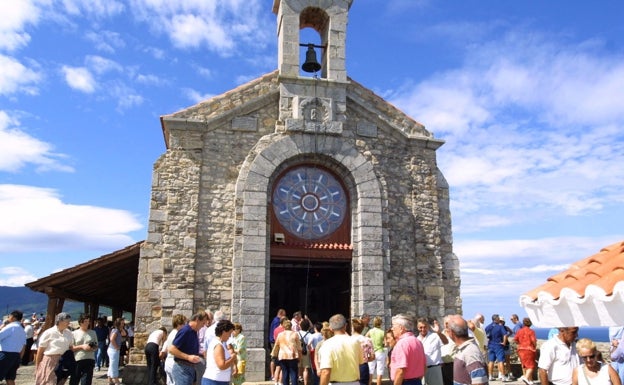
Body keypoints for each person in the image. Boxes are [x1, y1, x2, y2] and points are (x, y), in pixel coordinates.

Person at [318, 314, 363, 385]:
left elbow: (325, 372)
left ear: (330, 328)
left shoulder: (327, 344)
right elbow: (361, 362)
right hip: (354, 382)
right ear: (345, 326)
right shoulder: (356, 342)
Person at [168, 311, 209, 385]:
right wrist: (188, 357)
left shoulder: (193, 332)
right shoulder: (185, 331)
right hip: (182, 368)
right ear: (197, 320)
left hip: (190, 368)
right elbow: (171, 349)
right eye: (203, 323)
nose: (203, 326)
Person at [446, 314, 488, 385]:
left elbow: (479, 382)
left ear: (452, 333)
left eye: (448, 329)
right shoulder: (464, 349)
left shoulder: (470, 352)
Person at [35, 312, 74, 385]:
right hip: (50, 360)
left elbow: (71, 347)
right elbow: (40, 351)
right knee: (49, 382)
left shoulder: (69, 333)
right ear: (60, 321)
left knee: (60, 382)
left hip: (63, 361)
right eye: (67, 321)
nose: (69, 323)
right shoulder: (49, 332)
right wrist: (37, 366)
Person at [389, 314, 426, 385]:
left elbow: (400, 370)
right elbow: (424, 365)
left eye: (393, 326)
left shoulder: (402, 344)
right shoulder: (418, 342)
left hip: (404, 382)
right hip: (416, 381)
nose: (392, 328)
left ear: (401, 328)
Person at [202, 319, 237, 385]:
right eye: (229, 333)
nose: (230, 336)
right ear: (224, 332)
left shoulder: (219, 344)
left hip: (218, 380)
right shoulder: (218, 346)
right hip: (214, 381)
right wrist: (232, 358)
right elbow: (221, 366)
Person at [416, 317, 448, 385]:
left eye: (425, 327)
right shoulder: (416, 340)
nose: (423, 329)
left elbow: (445, 342)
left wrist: (439, 332)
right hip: (421, 371)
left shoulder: (435, 336)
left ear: (428, 327)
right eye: (420, 327)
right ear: (417, 327)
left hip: (434, 369)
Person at [0, 310, 27, 385]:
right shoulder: (22, 330)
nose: (8, 317)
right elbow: (24, 345)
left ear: (13, 317)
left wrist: (2, 326)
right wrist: (20, 357)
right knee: (10, 378)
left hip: (5, 354)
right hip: (16, 355)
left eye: (9, 316)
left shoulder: (10, 327)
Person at [70, 314, 98, 385]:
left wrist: (92, 348)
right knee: (74, 380)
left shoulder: (93, 332)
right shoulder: (74, 333)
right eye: (85, 321)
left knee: (87, 382)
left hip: (89, 359)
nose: (87, 323)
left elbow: (96, 346)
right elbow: (71, 348)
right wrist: (82, 346)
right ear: (80, 322)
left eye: (88, 321)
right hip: (77, 359)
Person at [274, 319, 301, 385]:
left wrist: (274, 354)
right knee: (293, 373)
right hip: (293, 356)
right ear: (291, 326)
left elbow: (276, 345)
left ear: (284, 326)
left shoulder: (280, 334)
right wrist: (299, 357)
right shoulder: (295, 334)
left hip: (282, 356)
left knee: (285, 373)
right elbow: (299, 348)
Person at [163, 314, 187, 385]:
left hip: (169, 361)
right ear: (179, 324)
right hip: (173, 362)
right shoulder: (177, 334)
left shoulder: (172, 333)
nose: (185, 326)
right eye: (184, 324)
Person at [485, 314, 510, 382]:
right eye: (498, 318)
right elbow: (505, 335)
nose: (499, 319)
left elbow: (486, 336)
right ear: (496, 319)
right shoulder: (500, 326)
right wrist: (504, 343)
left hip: (490, 345)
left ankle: (490, 376)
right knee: (501, 361)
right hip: (498, 345)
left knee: (491, 361)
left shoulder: (488, 327)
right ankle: (503, 376)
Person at [352, 318, 375, 385]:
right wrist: (365, 359)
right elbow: (372, 357)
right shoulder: (367, 340)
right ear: (362, 328)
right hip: (363, 366)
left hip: (352, 365)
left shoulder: (348, 340)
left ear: (353, 328)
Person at [515, 318, 537, 385]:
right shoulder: (531, 331)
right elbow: (533, 340)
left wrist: (520, 343)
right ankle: (526, 378)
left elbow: (515, 339)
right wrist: (534, 346)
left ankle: (530, 381)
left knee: (525, 365)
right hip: (529, 349)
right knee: (531, 365)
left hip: (521, 350)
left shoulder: (519, 331)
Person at [366, 316, 387, 385]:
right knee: (380, 370)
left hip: (372, 352)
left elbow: (365, 338)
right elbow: (386, 343)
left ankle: (369, 383)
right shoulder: (382, 332)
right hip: (380, 352)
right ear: (380, 323)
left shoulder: (370, 331)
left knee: (370, 370)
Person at [270, 309, 287, 382]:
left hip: (274, 341)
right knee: (275, 360)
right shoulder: (277, 321)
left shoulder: (275, 320)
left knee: (275, 359)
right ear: (281, 314)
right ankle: (273, 376)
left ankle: (273, 376)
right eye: (284, 314)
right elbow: (276, 334)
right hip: (275, 342)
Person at [107, 317, 125, 385]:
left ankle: (110, 380)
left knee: (111, 365)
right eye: (122, 323)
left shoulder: (117, 330)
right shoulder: (116, 330)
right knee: (114, 365)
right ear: (119, 323)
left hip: (113, 349)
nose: (123, 324)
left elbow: (124, 334)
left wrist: (122, 328)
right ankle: (116, 380)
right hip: (113, 349)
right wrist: (116, 347)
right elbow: (112, 339)